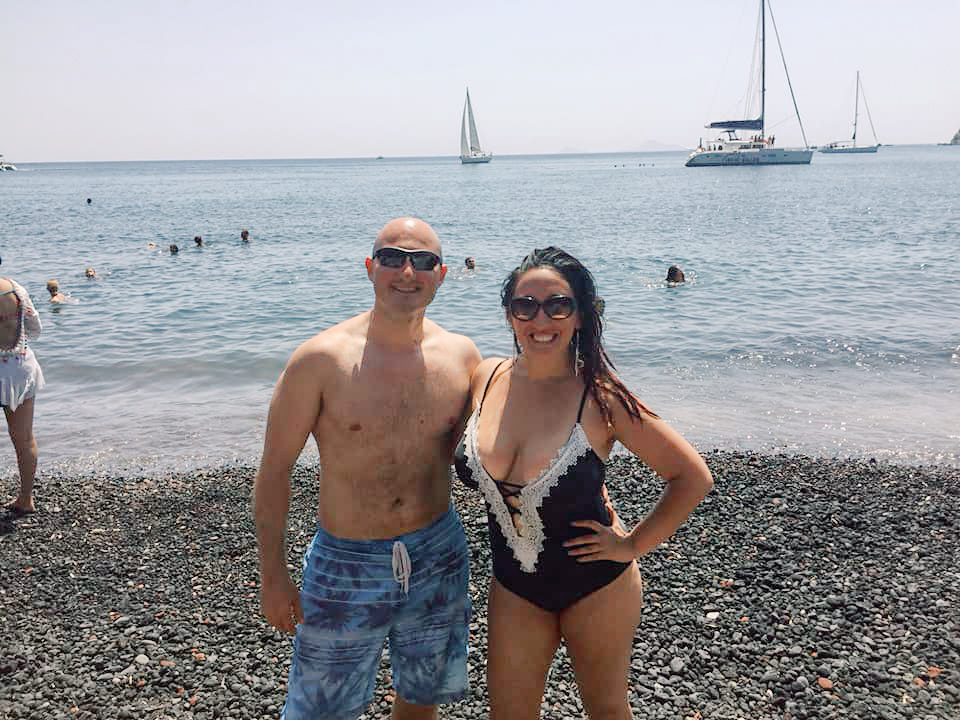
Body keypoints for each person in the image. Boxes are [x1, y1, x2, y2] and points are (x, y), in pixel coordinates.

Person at [454, 246, 713, 720]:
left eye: (558, 304)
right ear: (509, 314)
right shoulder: (485, 377)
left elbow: (691, 476)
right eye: (524, 305)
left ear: (580, 315)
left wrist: (631, 544)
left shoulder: (600, 397)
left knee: (606, 709)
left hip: (597, 586)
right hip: (514, 586)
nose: (541, 319)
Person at [253, 217, 482, 720]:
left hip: (438, 552)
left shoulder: (463, 357)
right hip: (345, 562)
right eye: (392, 258)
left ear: (441, 274)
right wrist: (273, 575)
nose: (407, 271)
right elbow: (274, 470)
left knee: (422, 699)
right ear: (369, 268)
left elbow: (499, 450)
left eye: (423, 261)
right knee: (319, 710)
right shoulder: (319, 359)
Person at [0, 277, 45, 514]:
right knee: (24, 438)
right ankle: (26, 499)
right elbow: (35, 328)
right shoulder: (16, 289)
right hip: (19, 370)